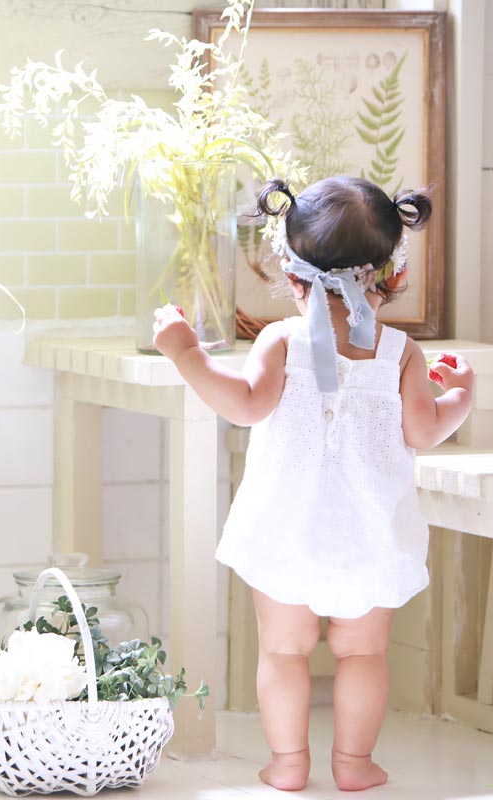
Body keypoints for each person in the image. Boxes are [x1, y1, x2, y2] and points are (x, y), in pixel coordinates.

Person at [152, 175, 475, 792]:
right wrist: (461, 393)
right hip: (370, 534)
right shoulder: (400, 352)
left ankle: (288, 762)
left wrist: (187, 353)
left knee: (283, 651)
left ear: (291, 275)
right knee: (363, 654)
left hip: (285, 529)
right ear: (393, 276)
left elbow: (245, 405)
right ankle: (353, 764)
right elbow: (426, 430)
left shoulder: (281, 340)